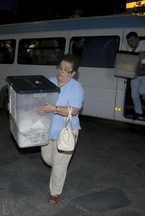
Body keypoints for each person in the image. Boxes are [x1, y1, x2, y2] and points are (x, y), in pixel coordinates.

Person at [36, 54, 84, 205]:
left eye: (66, 70)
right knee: (48, 159)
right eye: (60, 68)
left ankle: (54, 193)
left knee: (59, 164)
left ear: (73, 73)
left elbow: (75, 110)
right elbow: (40, 97)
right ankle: (58, 171)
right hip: (48, 130)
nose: (61, 72)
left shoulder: (76, 87)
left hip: (66, 132)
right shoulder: (50, 81)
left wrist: (54, 108)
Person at [126, 31, 145, 120]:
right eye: (129, 41)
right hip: (135, 74)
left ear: (137, 39)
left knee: (142, 91)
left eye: (132, 40)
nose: (130, 43)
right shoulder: (129, 49)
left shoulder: (144, 43)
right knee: (134, 95)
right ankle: (139, 112)